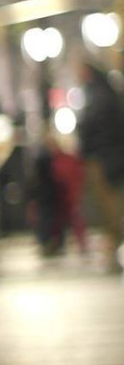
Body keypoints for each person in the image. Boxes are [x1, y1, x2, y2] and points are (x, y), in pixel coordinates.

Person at [77, 61, 124, 272]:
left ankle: (113, 252)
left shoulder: (99, 96)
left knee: (109, 208)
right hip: (109, 158)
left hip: (105, 160)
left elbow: (93, 128)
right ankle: (112, 250)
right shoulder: (107, 93)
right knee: (110, 206)